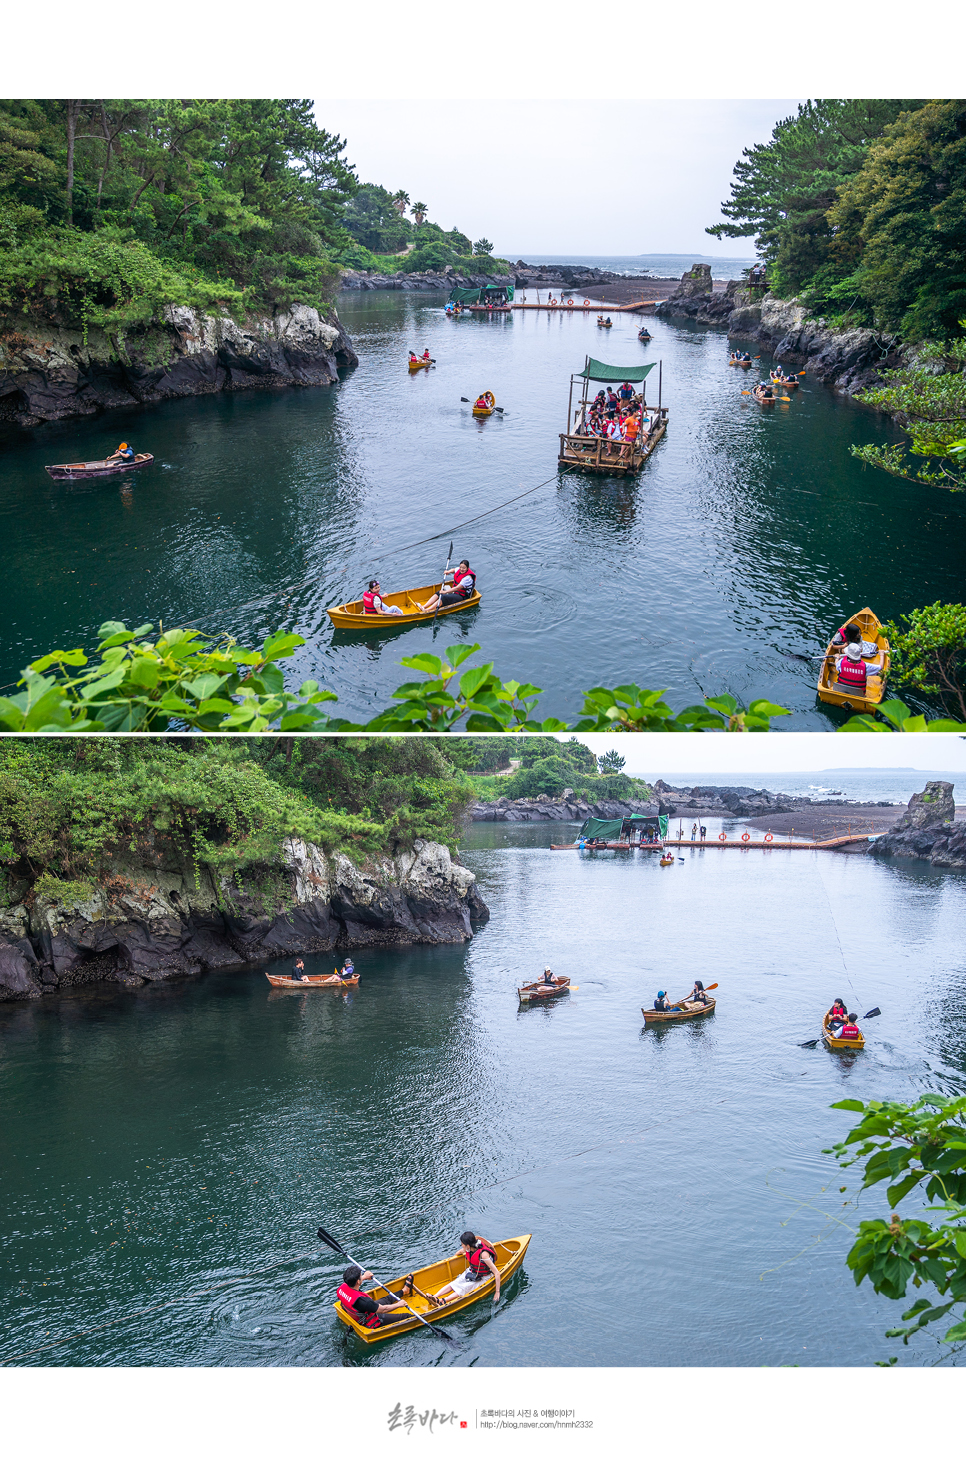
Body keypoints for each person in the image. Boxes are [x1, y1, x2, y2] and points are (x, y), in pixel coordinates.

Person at [337, 1265, 412, 1327]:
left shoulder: (342, 1288)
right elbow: (383, 1309)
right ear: (358, 1281)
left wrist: (365, 1277)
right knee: (406, 1316)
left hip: (360, 1311)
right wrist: (398, 1305)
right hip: (370, 1320)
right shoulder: (364, 1301)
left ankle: (404, 1291)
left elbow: (355, 1283)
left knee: (386, 1300)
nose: (362, 1276)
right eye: (361, 1275)